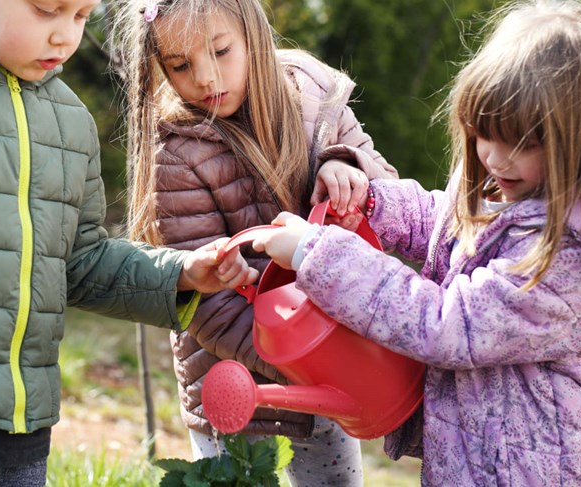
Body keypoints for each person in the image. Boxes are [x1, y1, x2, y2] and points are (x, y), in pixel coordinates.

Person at [0, 0, 260, 486]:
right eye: (46, 10)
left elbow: (81, 260)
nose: (64, 37)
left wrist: (179, 272)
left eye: (79, 17)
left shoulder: (68, 120)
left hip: (25, 438)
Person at [251, 0, 581, 485]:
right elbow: (445, 223)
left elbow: (448, 323)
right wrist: (370, 203)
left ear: (578, 144)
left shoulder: (567, 261)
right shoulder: (510, 191)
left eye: (524, 143)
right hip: (467, 463)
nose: (495, 158)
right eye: (484, 134)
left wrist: (317, 253)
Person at [109, 0, 398, 484]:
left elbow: (389, 196)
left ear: (253, 35)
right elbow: (207, 307)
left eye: (220, 51)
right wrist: (308, 364)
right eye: (180, 65)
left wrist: (347, 166)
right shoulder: (178, 154)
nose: (204, 78)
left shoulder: (313, 99)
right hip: (237, 389)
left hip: (328, 370)